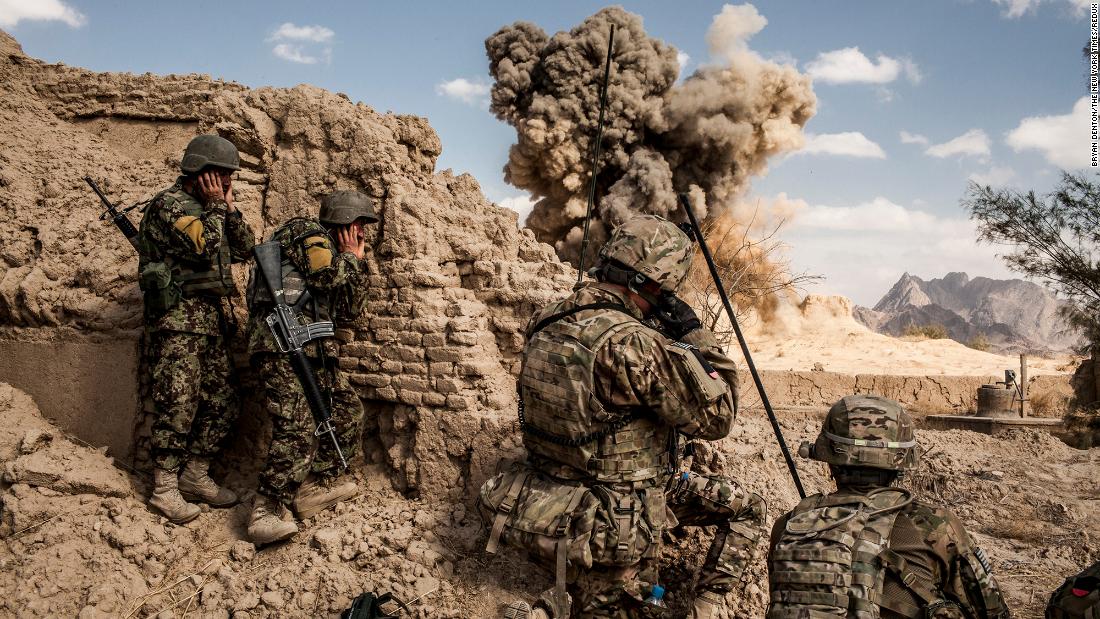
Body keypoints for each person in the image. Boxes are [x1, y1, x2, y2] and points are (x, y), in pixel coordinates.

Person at [480, 214, 766, 618]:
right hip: (619, 514)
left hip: (550, 496)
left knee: (742, 504)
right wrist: (694, 333)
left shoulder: (545, 321)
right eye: (665, 290)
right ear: (648, 284)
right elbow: (718, 417)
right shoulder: (632, 344)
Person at [767, 395, 1011, 618]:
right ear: (902, 462)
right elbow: (991, 610)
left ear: (827, 458)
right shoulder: (935, 525)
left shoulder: (790, 525)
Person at [244, 189, 376, 545]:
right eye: (359, 224)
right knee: (297, 424)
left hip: (313, 348)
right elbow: (322, 278)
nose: (362, 232)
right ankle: (266, 508)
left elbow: (349, 310)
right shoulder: (308, 231)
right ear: (343, 222)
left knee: (347, 412)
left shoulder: (338, 253)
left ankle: (314, 487)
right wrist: (348, 258)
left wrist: (357, 263)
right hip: (279, 344)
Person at [136, 134, 255, 524]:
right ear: (202, 173)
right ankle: (165, 489)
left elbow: (244, 248)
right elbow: (204, 247)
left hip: (209, 323)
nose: (226, 182)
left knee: (224, 400)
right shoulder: (169, 206)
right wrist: (217, 206)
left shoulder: (213, 208)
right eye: (222, 175)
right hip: (178, 325)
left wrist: (229, 209)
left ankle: (194, 476)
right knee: (178, 404)